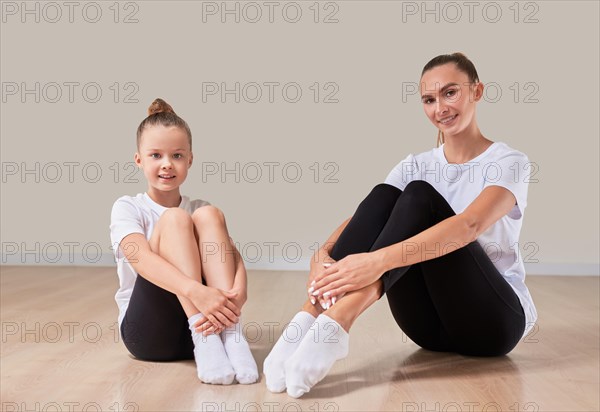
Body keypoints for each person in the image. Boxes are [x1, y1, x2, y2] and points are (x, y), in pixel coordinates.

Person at [263, 52, 538, 398]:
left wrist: (375, 263)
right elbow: (367, 215)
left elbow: (469, 225)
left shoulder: (509, 161)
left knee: (420, 196)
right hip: (426, 328)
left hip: (491, 324)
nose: (440, 108)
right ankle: (311, 315)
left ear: (477, 91)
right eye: (429, 99)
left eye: (450, 93)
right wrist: (325, 252)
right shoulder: (416, 163)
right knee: (385, 195)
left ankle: (340, 318)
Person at [109, 98, 258, 385]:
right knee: (176, 219)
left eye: (177, 156)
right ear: (139, 160)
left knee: (209, 214)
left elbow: (233, 256)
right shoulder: (128, 207)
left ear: (190, 159)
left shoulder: (201, 207)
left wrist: (240, 290)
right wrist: (196, 291)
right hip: (149, 335)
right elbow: (139, 257)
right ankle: (206, 337)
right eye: (155, 156)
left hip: (211, 323)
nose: (167, 164)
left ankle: (231, 335)